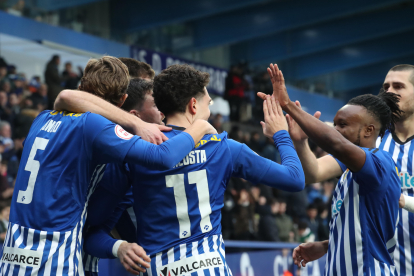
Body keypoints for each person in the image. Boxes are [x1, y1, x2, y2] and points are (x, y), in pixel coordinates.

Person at [77, 64, 305, 275]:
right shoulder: (224, 148)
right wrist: (281, 135)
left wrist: (120, 247)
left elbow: (92, 235)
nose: (210, 109)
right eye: (209, 103)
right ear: (193, 105)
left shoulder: (137, 152)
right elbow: (295, 179)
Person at [0, 57, 213, 276]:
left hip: (12, 256)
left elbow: (65, 98)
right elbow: (163, 156)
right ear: (123, 100)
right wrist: (201, 125)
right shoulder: (94, 125)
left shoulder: (42, 118)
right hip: (53, 259)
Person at [261, 64, 401, 275]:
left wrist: (288, 105)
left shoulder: (380, 162)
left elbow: (336, 144)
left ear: (368, 130)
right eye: (334, 124)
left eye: (342, 125)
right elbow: (311, 175)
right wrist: (299, 142)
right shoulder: (348, 169)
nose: (335, 130)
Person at [82, 78, 164, 276]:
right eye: (155, 104)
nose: (162, 111)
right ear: (134, 116)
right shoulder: (116, 166)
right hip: (72, 262)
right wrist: (121, 247)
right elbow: (94, 225)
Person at [377, 64, 414, 276]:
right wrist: (299, 143)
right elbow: (314, 174)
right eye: (386, 87)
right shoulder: (372, 141)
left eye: (398, 86)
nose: (390, 92)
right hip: (381, 269)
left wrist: (404, 201)